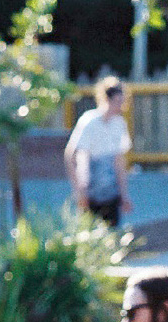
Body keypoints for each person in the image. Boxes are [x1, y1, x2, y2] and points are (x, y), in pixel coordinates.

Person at [64, 76, 133, 226]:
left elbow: (119, 161)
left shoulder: (119, 124)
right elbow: (71, 155)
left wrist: (124, 194)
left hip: (111, 190)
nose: (120, 106)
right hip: (91, 189)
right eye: (117, 102)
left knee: (113, 234)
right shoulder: (89, 121)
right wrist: (79, 191)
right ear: (107, 100)